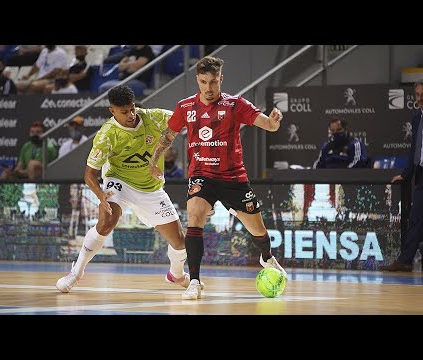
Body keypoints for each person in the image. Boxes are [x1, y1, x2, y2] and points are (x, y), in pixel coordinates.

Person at [148, 56, 287, 300]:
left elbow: (268, 125)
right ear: (197, 80)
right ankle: (194, 281)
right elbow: (169, 134)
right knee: (194, 216)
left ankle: (267, 257)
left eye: (213, 82)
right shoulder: (185, 107)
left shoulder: (235, 105)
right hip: (202, 176)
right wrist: (154, 159)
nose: (209, 88)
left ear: (220, 79)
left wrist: (274, 122)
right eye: (203, 82)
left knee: (258, 230)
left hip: (233, 178)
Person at [55, 85, 204, 293]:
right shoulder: (107, 135)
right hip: (119, 182)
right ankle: (76, 273)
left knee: (180, 242)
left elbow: (184, 118)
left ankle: (176, 275)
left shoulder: (153, 117)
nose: (131, 115)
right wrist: (101, 197)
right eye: (124, 112)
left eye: (132, 109)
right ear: (112, 111)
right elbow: (89, 174)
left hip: (150, 188)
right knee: (107, 221)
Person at [380, 81, 423, 272]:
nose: (419, 98)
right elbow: (415, 148)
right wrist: (406, 174)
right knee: (415, 218)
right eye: (417, 94)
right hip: (421, 174)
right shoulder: (416, 118)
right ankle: (405, 261)